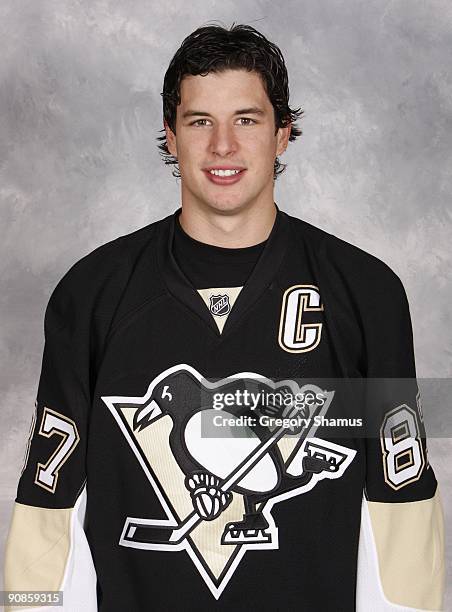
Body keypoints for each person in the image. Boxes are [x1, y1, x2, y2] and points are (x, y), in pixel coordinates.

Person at [4, 22, 445, 612]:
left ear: (283, 132)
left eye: (247, 119)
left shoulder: (366, 294)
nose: (223, 148)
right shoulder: (91, 295)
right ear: (170, 134)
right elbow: (48, 507)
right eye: (199, 122)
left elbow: (400, 501)